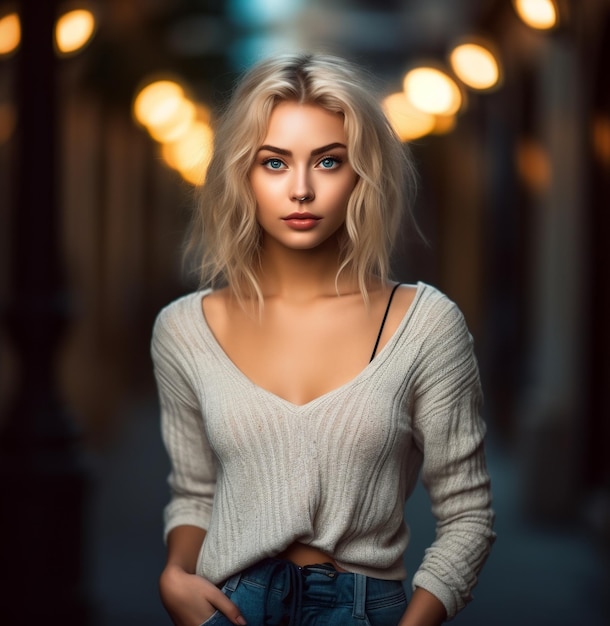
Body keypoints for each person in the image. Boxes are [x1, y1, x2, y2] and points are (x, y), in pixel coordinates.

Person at [151, 52, 495, 626]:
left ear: (361, 174)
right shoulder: (185, 329)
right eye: (275, 163)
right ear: (243, 174)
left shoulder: (426, 324)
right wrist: (174, 578)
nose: (303, 190)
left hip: (365, 607)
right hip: (229, 606)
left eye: (329, 162)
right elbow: (194, 490)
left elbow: (468, 513)